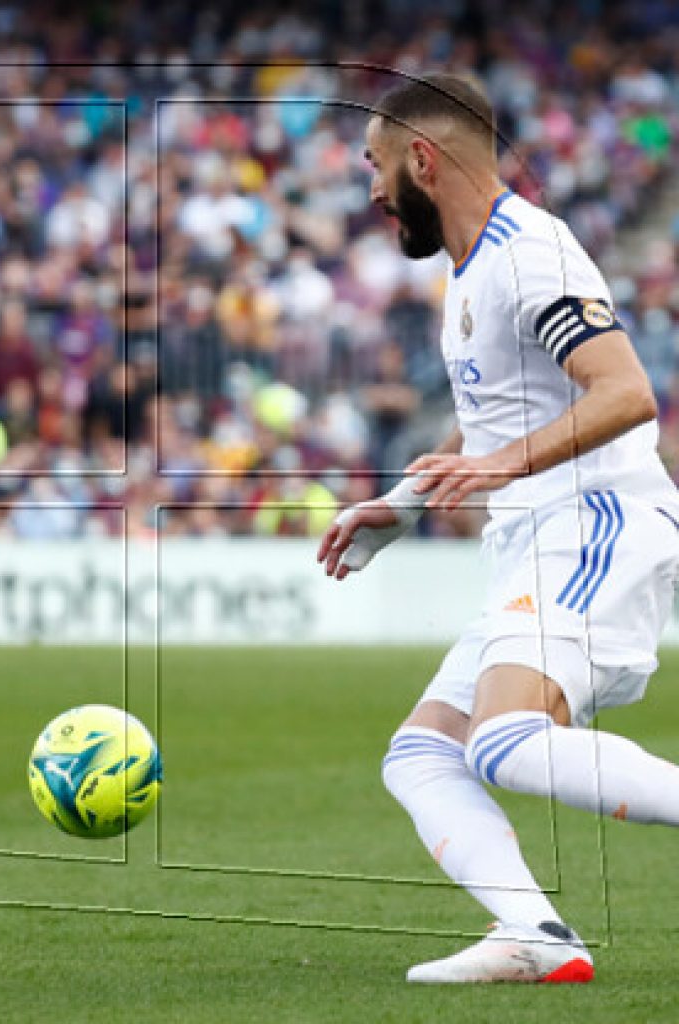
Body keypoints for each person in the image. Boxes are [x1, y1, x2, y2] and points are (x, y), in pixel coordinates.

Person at [317, 73, 679, 984]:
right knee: (421, 754)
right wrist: (404, 503)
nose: (372, 188)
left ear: (422, 159)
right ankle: (533, 934)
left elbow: (626, 392)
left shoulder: (530, 255)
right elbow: (494, 418)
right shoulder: (472, 267)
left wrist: (505, 465)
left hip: (594, 523)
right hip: (535, 542)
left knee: (504, 742)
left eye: (375, 164)